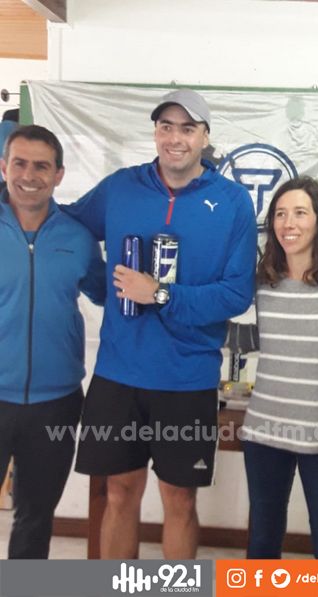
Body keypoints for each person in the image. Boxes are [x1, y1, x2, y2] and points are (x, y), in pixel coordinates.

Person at [63, 89, 257, 559]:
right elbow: (69, 228)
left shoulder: (233, 202)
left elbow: (236, 294)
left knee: (180, 500)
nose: (175, 138)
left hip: (187, 379)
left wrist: (161, 295)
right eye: (166, 127)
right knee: (118, 492)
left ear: (205, 137)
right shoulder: (121, 187)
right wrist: (102, 287)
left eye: (188, 128)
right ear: (155, 133)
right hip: (118, 374)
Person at [228, 177, 318, 559]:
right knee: (262, 541)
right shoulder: (264, 282)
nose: (288, 223)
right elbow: (257, 339)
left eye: (300, 213)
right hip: (265, 430)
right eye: (280, 214)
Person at [0, 124, 106, 559]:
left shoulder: (78, 238)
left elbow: (109, 294)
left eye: (41, 166)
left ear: (58, 174)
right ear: (3, 168)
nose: (29, 175)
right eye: (19, 164)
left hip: (56, 403)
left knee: (35, 518)